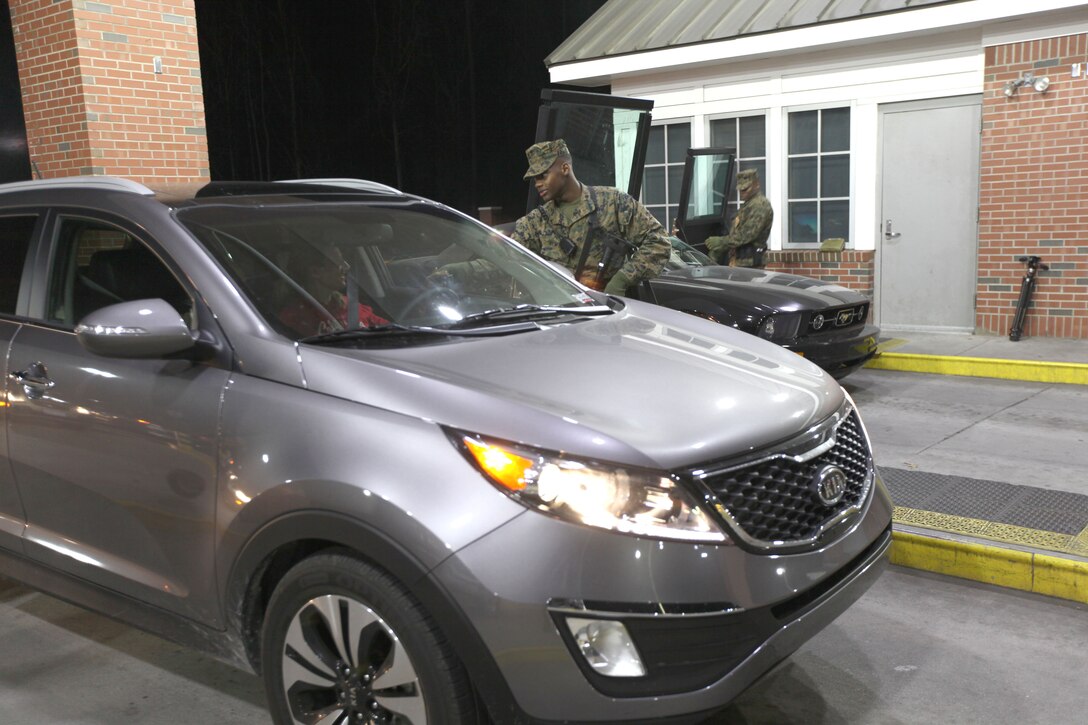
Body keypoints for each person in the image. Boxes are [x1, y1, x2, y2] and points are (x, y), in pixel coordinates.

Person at [511, 139, 671, 295]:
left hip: (612, 310)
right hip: (562, 314)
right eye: (535, 179)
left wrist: (621, 281)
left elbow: (659, 241)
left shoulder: (613, 203)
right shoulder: (535, 222)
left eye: (543, 176)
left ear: (565, 169)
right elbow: (506, 258)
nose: (537, 184)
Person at [278, 244, 386, 335]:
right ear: (315, 272)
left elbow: (388, 328)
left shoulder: (348, 305)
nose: (346, 267)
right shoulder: (294, 317)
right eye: (338, 262)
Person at [705, 168, 773, 268]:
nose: (742, 193)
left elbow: (747, 234)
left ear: (756, 184)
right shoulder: (748, 204)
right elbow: (736, 230)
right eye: (740, 190)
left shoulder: (760, 205)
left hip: (751, 265)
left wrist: (721, 242)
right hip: (739, 262)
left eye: (745, 189)